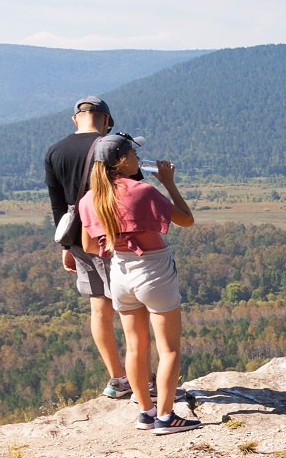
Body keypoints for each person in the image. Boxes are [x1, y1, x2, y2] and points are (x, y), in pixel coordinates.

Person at [78, 132, 200, 433]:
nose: (136, 157)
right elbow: (186, 219)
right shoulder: (142, 191)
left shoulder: (90, 199)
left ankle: (145, 413)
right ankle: (166, 417)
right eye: (133, 153)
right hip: (154, 271)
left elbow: (91, 247)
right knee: (168, 349)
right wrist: (168, 182)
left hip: (119, 274)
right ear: (122, 160)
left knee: (135, 347)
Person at [43, 96, 133, 399]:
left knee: (99, 307)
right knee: (131, 307)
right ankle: (144, 382)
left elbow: (58, 205)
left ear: (74, 119)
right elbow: (133, 192)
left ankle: (118, 379)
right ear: (106, 120)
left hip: (79, 239)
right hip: (114, 235)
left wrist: (65, 246)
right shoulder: (111, 146)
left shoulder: (54, 151)